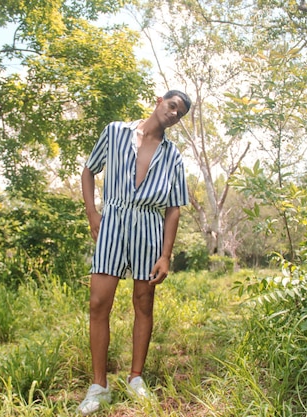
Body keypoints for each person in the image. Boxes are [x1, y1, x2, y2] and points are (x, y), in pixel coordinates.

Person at [79, 90, 192, 415]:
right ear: (159, 101)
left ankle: (136, 378)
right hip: (113, 219)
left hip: (148, 227)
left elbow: (174, 209)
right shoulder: (116, 132)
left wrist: (166, 255)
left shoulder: (172, 155)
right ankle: (99, 387)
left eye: (179, 114)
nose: (173, 114)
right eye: (172, 106)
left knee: (144, 303)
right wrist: (92, 214)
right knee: (99, 302)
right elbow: (89, 170)